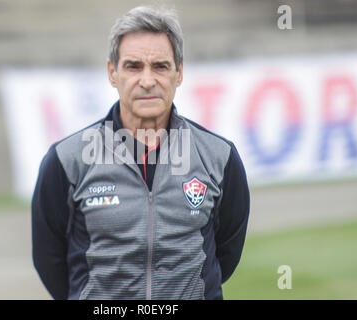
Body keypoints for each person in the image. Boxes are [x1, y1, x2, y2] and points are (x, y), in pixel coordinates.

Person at [32, 6, 250, 300]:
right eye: (133, 66)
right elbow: (49, 258)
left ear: (179, 73)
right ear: (113, 72)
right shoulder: (67, 160)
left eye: (160, 66)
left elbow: (226, 252)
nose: (147, 81)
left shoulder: (218, 157)